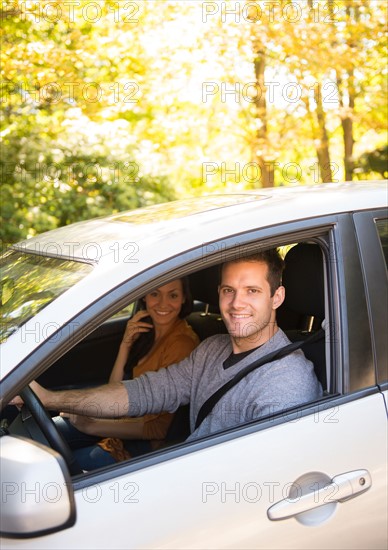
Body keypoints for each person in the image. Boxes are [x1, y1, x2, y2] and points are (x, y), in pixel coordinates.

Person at [16, 250, 322, 454]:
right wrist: (49, 398)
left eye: (252, 291)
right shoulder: (211, 349)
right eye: (229, 290)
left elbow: (262, 480)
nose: (236, 303)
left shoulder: (286, 383)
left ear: (277, 296)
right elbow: (143, 393)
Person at [54, 278, 200, 469]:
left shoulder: (182, 345)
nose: (163, 303)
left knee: (59, 469)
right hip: (120, 423)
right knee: (46, 432)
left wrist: (92, 424)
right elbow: (115, 387)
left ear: (183, 299)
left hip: (142, 446)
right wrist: (125, 345)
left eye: (173, 295)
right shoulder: (146, 330)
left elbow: (158, 428)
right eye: (155, 293)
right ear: (145, 297)